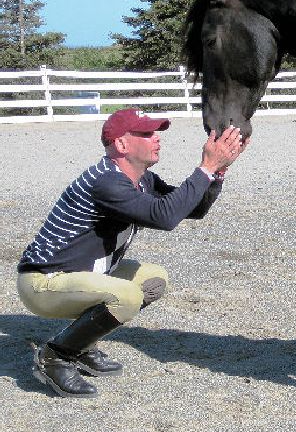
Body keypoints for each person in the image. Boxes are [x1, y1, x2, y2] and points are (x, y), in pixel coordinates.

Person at [16, 108, 249, 398]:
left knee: (153, 280)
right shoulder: (106, 181)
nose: (156, 139)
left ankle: (80, 344)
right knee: (126, 296)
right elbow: (164, 217)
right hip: (44, 282)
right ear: (122, 145)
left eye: (155, 133)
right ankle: (55, 356)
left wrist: (218, 171)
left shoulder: (142, 179)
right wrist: (205, 167)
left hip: (81, 273)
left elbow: (194, 209)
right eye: (146, 133)